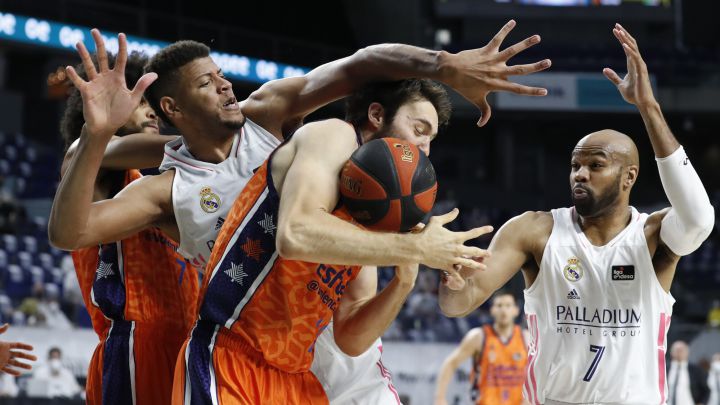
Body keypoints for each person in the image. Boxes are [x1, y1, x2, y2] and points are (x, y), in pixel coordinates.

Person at [436, 24, 715, 405]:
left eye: (595, 165)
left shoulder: (652, 235)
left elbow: (699, 220)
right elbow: (458, 305)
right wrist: (451, 284)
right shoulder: (534, 230)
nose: (580, 174)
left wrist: (648, 108)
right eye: (574, 165)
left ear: (629, 176)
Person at [59, 51, 199, 405]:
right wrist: (211, 141)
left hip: (189, 349)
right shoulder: (90, 160)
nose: (153, 112)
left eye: (155, 104)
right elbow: (83, 150)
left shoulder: (161, 192)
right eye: (141, 102)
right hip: (133, 345)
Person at [434, 290, 529, 405]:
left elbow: (539, 373)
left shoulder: (527, 338)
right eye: (499, 306)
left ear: (516, 310)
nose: (504, 310)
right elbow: (450, 363)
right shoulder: (478, 337)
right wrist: (440, 398)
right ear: (492, 310)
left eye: (508, 306)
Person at [667, 341, 710, 405]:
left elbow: (706, 390)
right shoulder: (665, 369)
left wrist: (702, 403)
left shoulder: (696, 370)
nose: (679, 353)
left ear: (687, 352)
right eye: (677, 350)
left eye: (681, 350)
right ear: (671, 352)